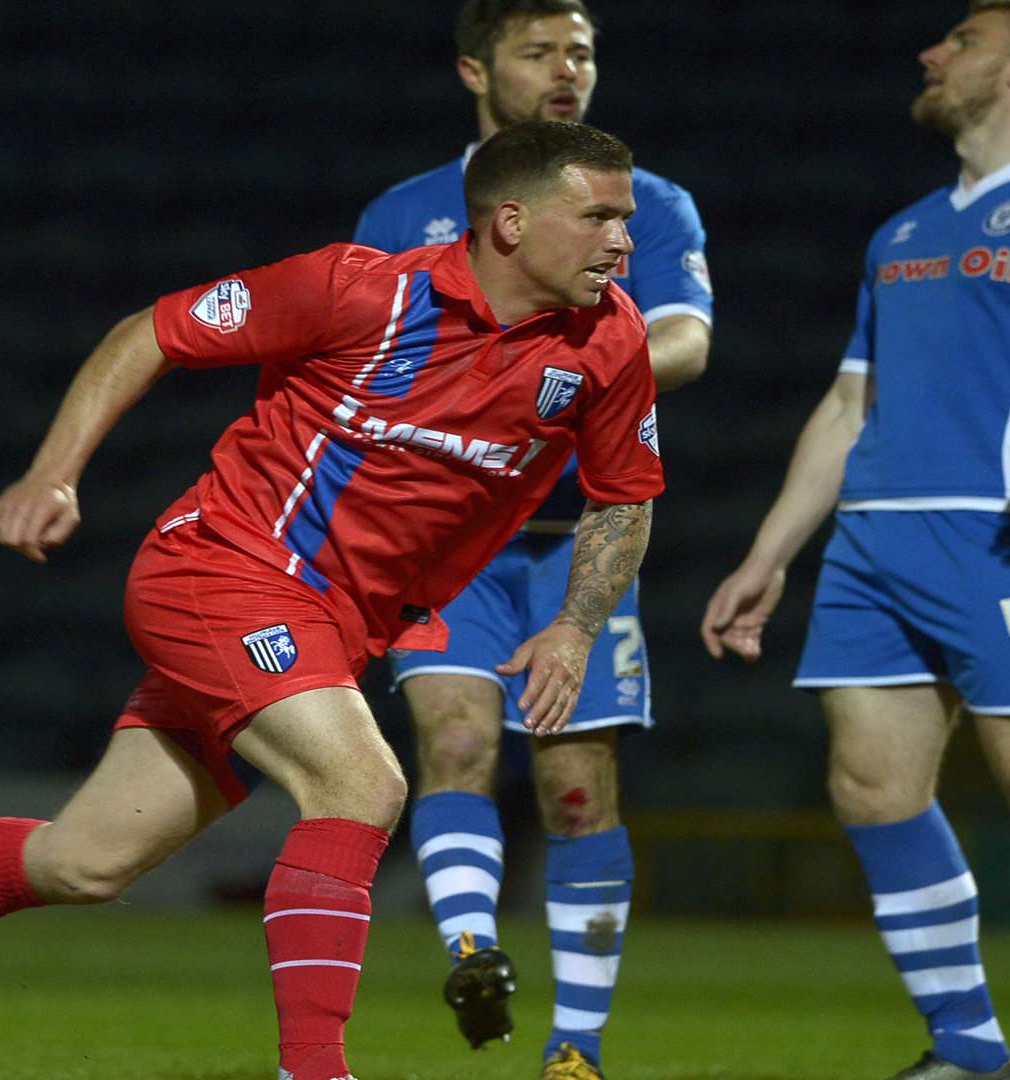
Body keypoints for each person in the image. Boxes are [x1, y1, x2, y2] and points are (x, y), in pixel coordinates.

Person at [0, 120, 663, 1080]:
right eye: (601, 217)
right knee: (362, 786)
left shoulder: (609, 340)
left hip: (335, 626)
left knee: (85, 863)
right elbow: (149, 331)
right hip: (222, 573)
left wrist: (575, 625)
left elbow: (624, 498)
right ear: (508, 222)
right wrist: (53, 475)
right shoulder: (362, 290)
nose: (624, 239)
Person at [699, 4, 1010, 1079]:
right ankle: (969, 1050)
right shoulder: (905, 231)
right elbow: (844, 410)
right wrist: (770, 553)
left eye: (960, 41)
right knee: (873, 791)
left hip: (996, 535)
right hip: (869, 547)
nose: (931, 52)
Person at [352, 2, 710, 1076]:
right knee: (454, 744)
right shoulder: (407, 210)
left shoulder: (639, 205)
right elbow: (359, 349)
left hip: (575, 536)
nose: (568, 69)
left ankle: (575, 1052)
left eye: (585, 51)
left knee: (573, 785)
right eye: (540, 49)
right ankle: (472, 951)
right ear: (476, 67)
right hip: (443, 539)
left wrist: (573, 382)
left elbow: (688, 332)